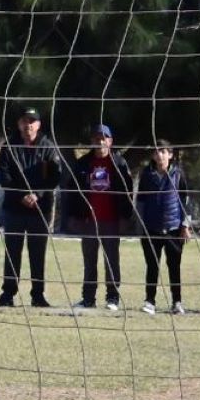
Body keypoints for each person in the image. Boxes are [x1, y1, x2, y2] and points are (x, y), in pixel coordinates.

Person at [0, 107, 63, 307]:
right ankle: (7, 295)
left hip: (40, 210)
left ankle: (38, 295)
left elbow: (55, 177)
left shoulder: (48, 147)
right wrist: (21, 195)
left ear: (39, 125)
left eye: (32, 121)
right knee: (12, 253)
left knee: (37, 254)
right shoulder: (9, 147)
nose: (28, 125)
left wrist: (37, 194)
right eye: (25, 121)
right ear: (19, 124)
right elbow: (3, 176)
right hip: (14, 209)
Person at [65, 123, 132, 312]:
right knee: (89, 261)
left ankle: (112, 298)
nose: (99, 141)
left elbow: (127, 192)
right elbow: (72, 191)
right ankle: (88, 298)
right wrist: (72, 215)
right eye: (96, 138)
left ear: (110, 141)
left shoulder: (119, 163)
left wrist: (126, 216)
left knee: (111, 260)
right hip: (88, 221)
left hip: (111, 221)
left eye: (103, 138)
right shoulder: (82, 163)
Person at [133, 142, 187, 315]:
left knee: (174, 266)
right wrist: (140, 226)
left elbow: (186, 201)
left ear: (170, 154)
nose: (160, 155)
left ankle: (177, 302)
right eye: (156, 152)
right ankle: (150, 301)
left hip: (173, 229)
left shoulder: (179, 174)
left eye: (163, 151)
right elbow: (140, 202)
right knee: (152, 266)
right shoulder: (147, 175)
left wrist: (185, 225)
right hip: (151, 228)